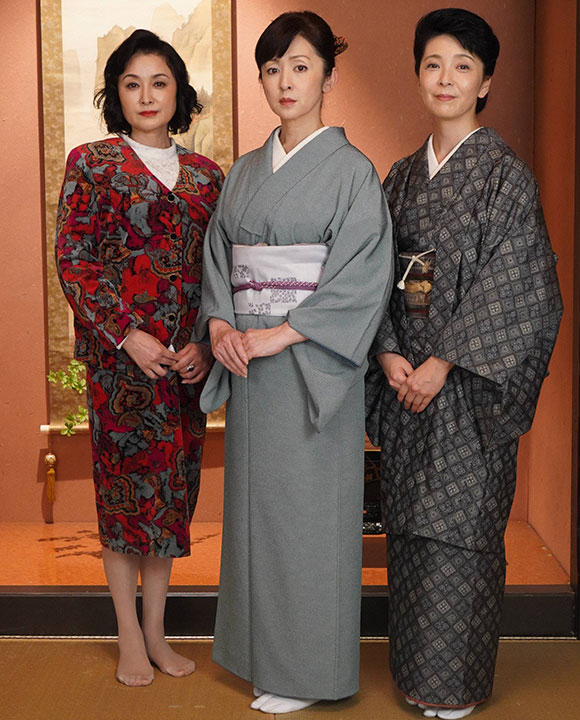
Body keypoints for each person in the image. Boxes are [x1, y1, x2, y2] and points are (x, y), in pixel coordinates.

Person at [365, 8, 562, 719]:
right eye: (433, 64)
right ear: (418, 75)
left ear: (485, 82)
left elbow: (522, 286)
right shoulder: (398, 178)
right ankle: (417, 675)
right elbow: (370, 273)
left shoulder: (506, 179)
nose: (445, 78)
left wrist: (444, 362)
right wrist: (387, 349)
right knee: (410, 527)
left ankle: (454, 685)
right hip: (405, 382)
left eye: (463, 66)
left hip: (465, 389)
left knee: (464, 531)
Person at [197, 11, 393, 715]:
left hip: (311, 367)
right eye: (273, 68)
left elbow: (362, 278)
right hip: (249, 366)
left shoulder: (352, 173)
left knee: (310, 520)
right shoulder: (244, 173)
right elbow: (219, 259)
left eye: (302, 66)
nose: (286, 81)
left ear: (328, 79)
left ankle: (310, 671)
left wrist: (281, 334)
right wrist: (221, 322)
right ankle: (264, 658)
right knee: (256, 517)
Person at [55, 29, 223, 687]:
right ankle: (128, 634)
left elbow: (219, 272)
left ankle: (157, 632)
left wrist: (206, 344)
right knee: (125, 500)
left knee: (171, 500)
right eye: (132, 84)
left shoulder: (208, 177)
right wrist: (127, 334)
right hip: (120, 368)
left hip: (184, 368)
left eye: (159, 82)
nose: (147, 96)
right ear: (115, 95)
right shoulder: (92, 163)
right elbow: (73, 259)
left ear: (179, 91)